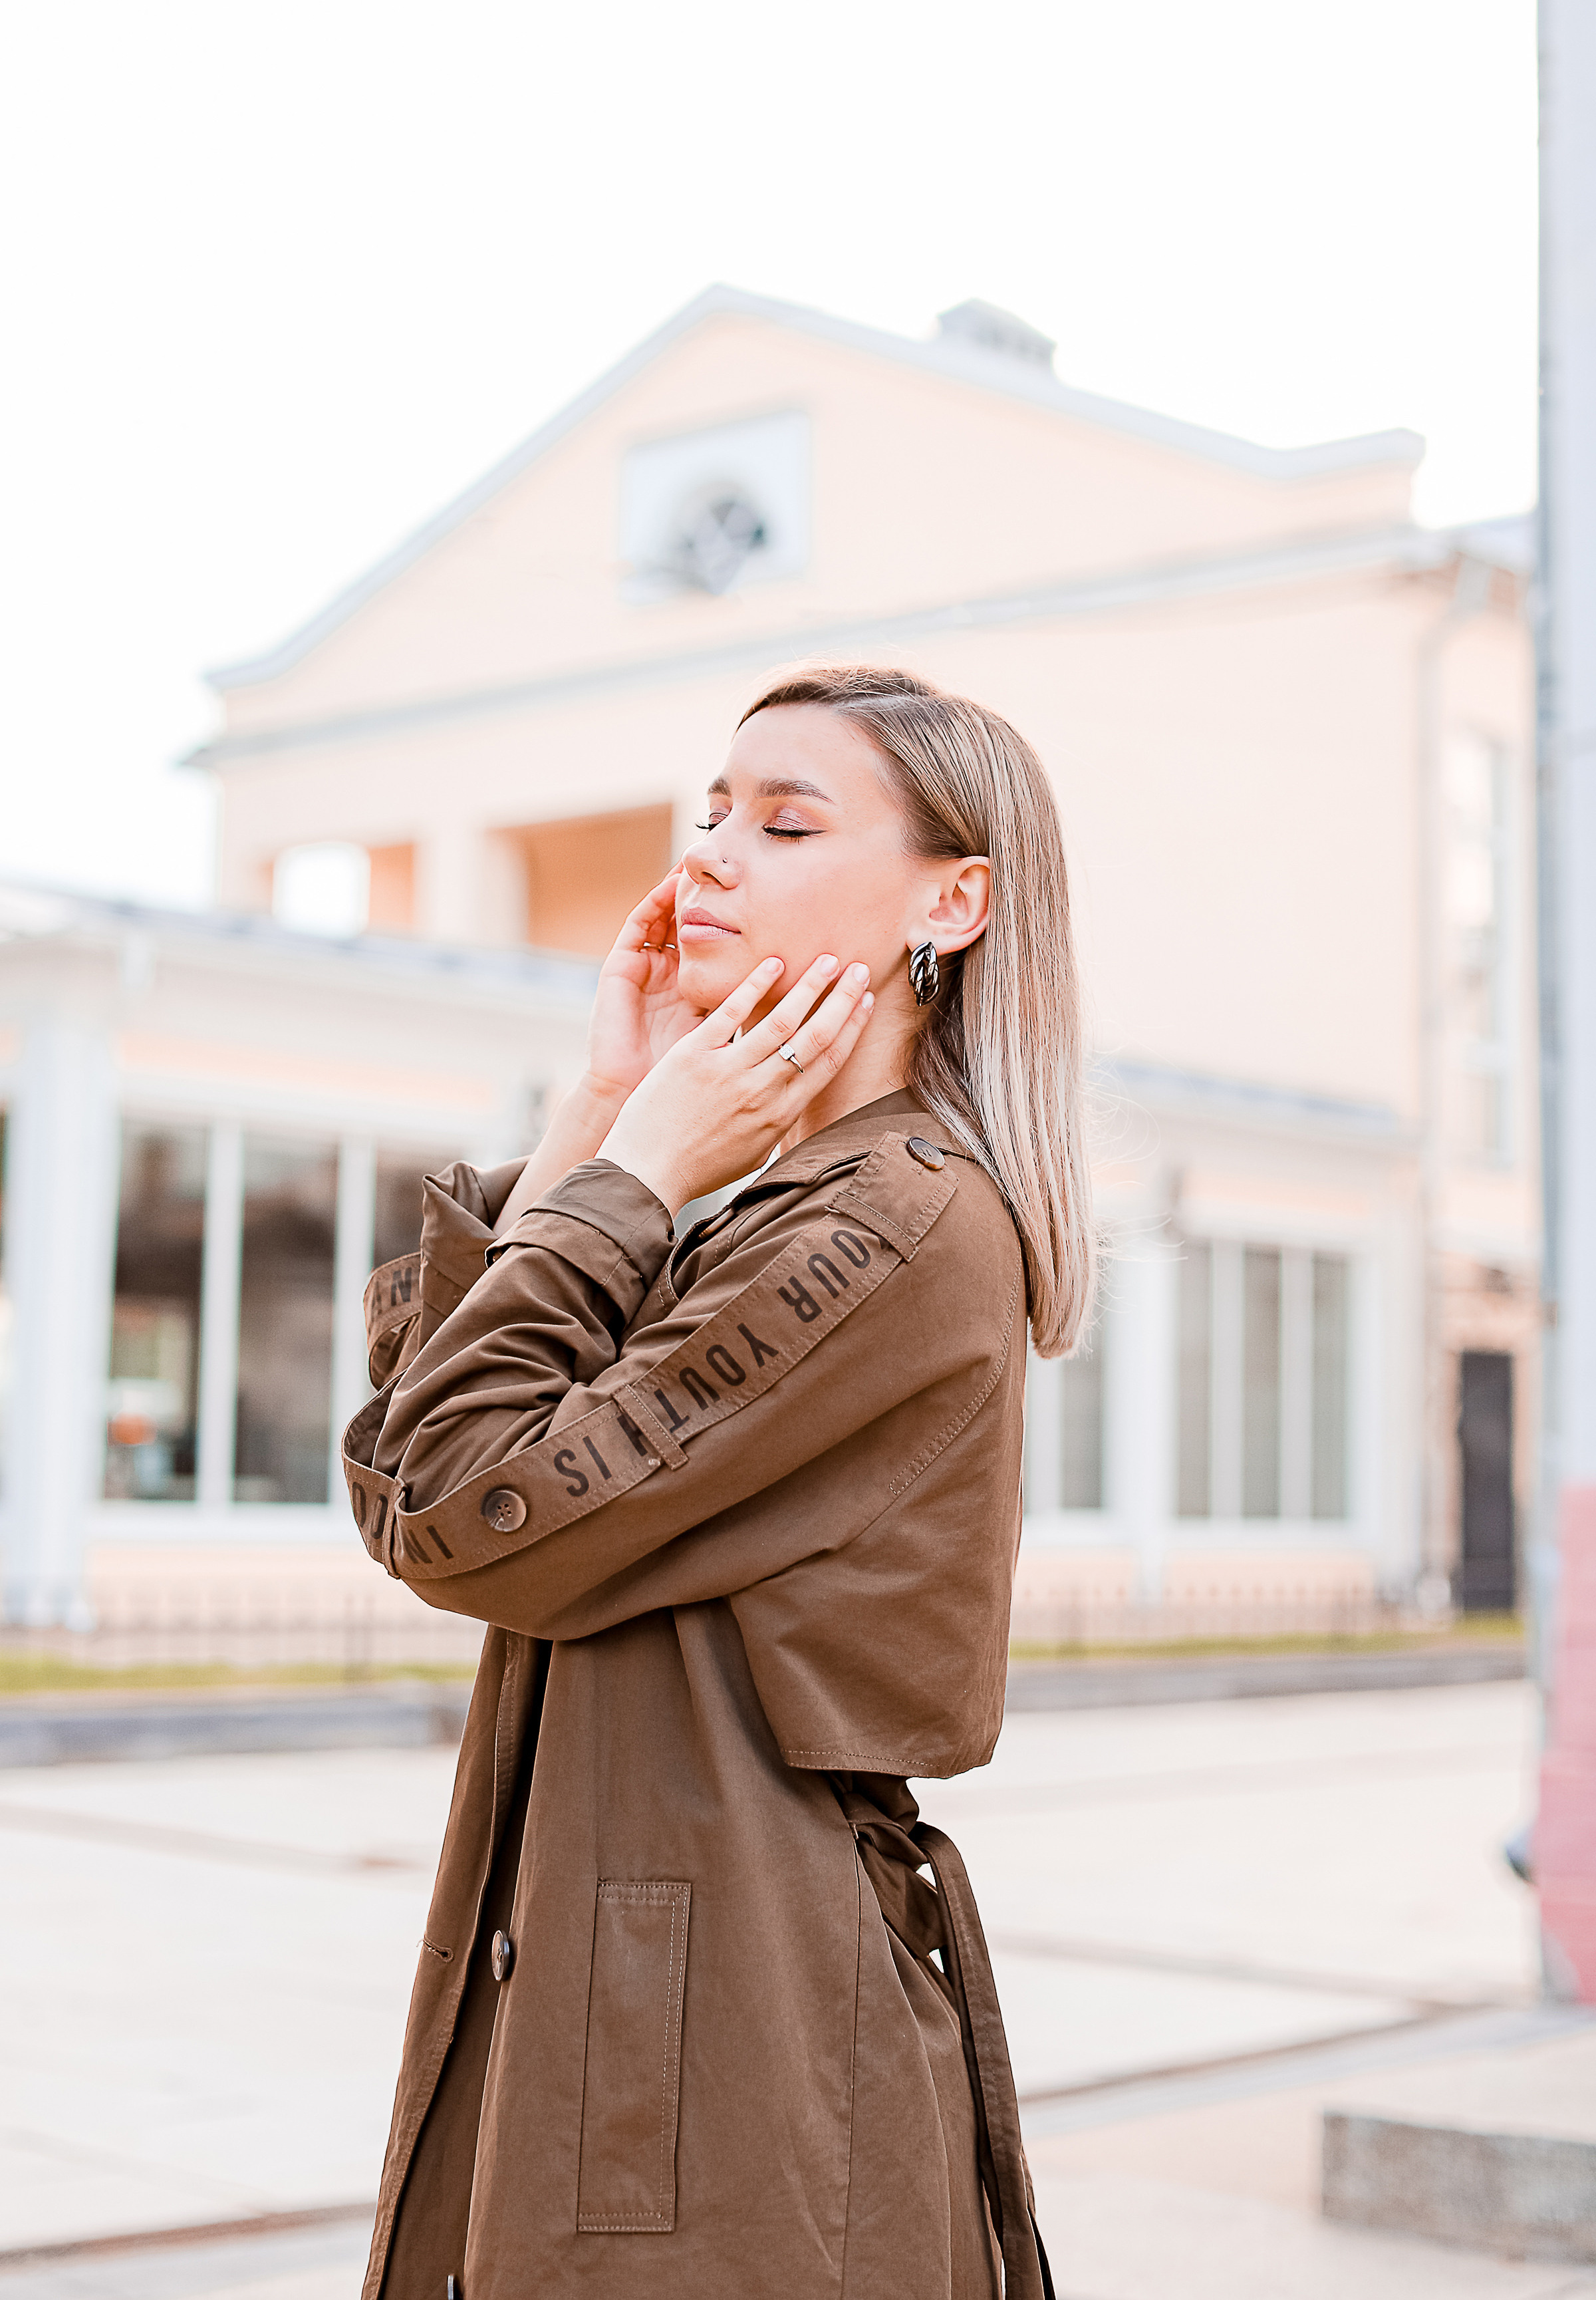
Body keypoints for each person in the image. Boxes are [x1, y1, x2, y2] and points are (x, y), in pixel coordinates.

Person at [342, 664, 1093, 2300]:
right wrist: (599, 1125)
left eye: (787, 818)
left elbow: (464, 1514)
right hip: (648, 2031)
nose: (712, 856)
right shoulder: (759, 1204)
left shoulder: (880, 1226)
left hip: (725, 2072)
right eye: (712, 810)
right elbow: (419, 1477)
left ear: (952, 902)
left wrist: (627, 1168)